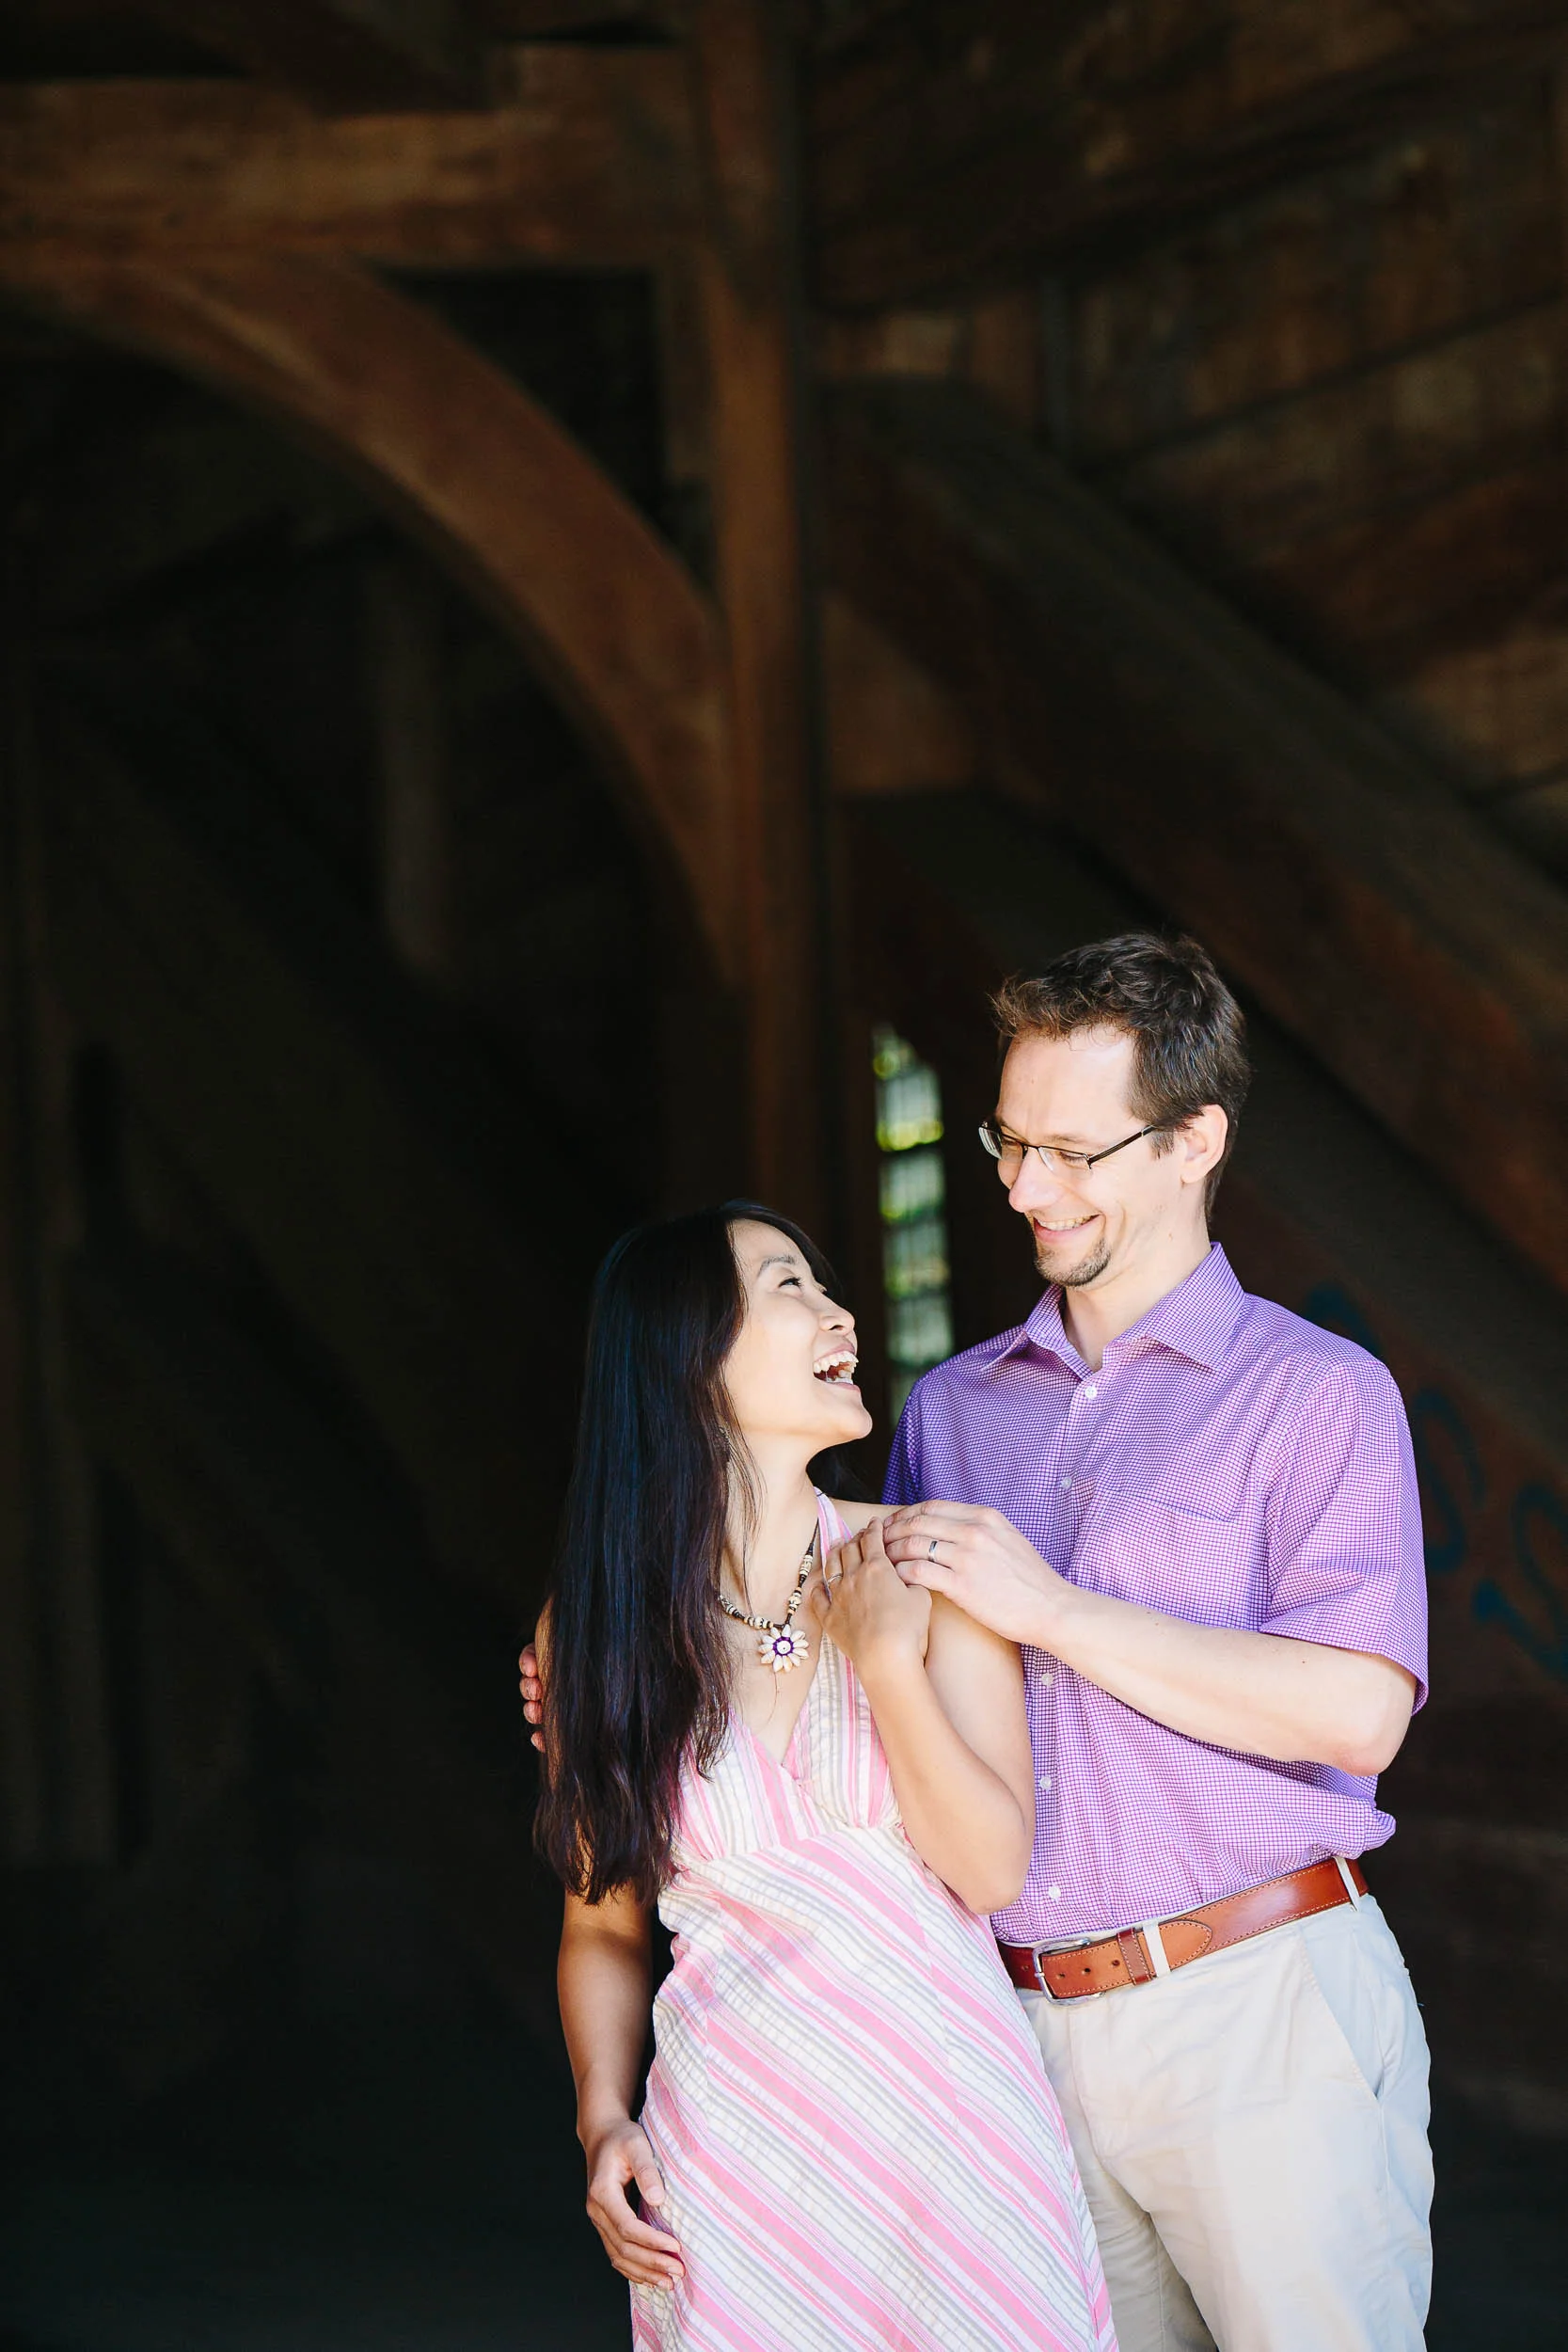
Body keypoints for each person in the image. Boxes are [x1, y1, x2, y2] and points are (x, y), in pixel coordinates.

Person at [863, 932, 1433, 2352]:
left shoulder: (1319, 1395)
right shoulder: (948, 1413)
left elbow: (1357, 1712)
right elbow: (871, 1679)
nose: (1019, 1187)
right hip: (1016, 2031)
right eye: (1005, 1141)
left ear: (1193, 1141)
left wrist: (1050, 1610)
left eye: (1071, 1150)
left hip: (1257, 2009)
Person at [531, 1202, 1116, 2352]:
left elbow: (988, 1866)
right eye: (786, 1284)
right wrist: (603, 2118)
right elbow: (599, 1926)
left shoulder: (930, 1559)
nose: (837, 1310)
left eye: (822, 1281)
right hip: (738, 2167)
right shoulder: (593, 1635)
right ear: (685, 1354)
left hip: (952, 2149)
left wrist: (886, 1660)